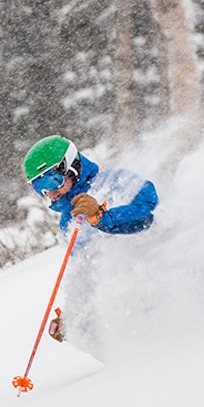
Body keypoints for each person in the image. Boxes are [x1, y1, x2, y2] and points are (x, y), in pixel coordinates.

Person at [23, 135, 158, 345]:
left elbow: (149, 215)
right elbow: (86, 271)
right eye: (40, 187)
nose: (51, 192)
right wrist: (74, 318)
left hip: (154, 279)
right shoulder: (68, 222)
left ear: (72, 167)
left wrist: (102, 218)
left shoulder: (115, 182)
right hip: (125, 307)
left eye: (53, 180)